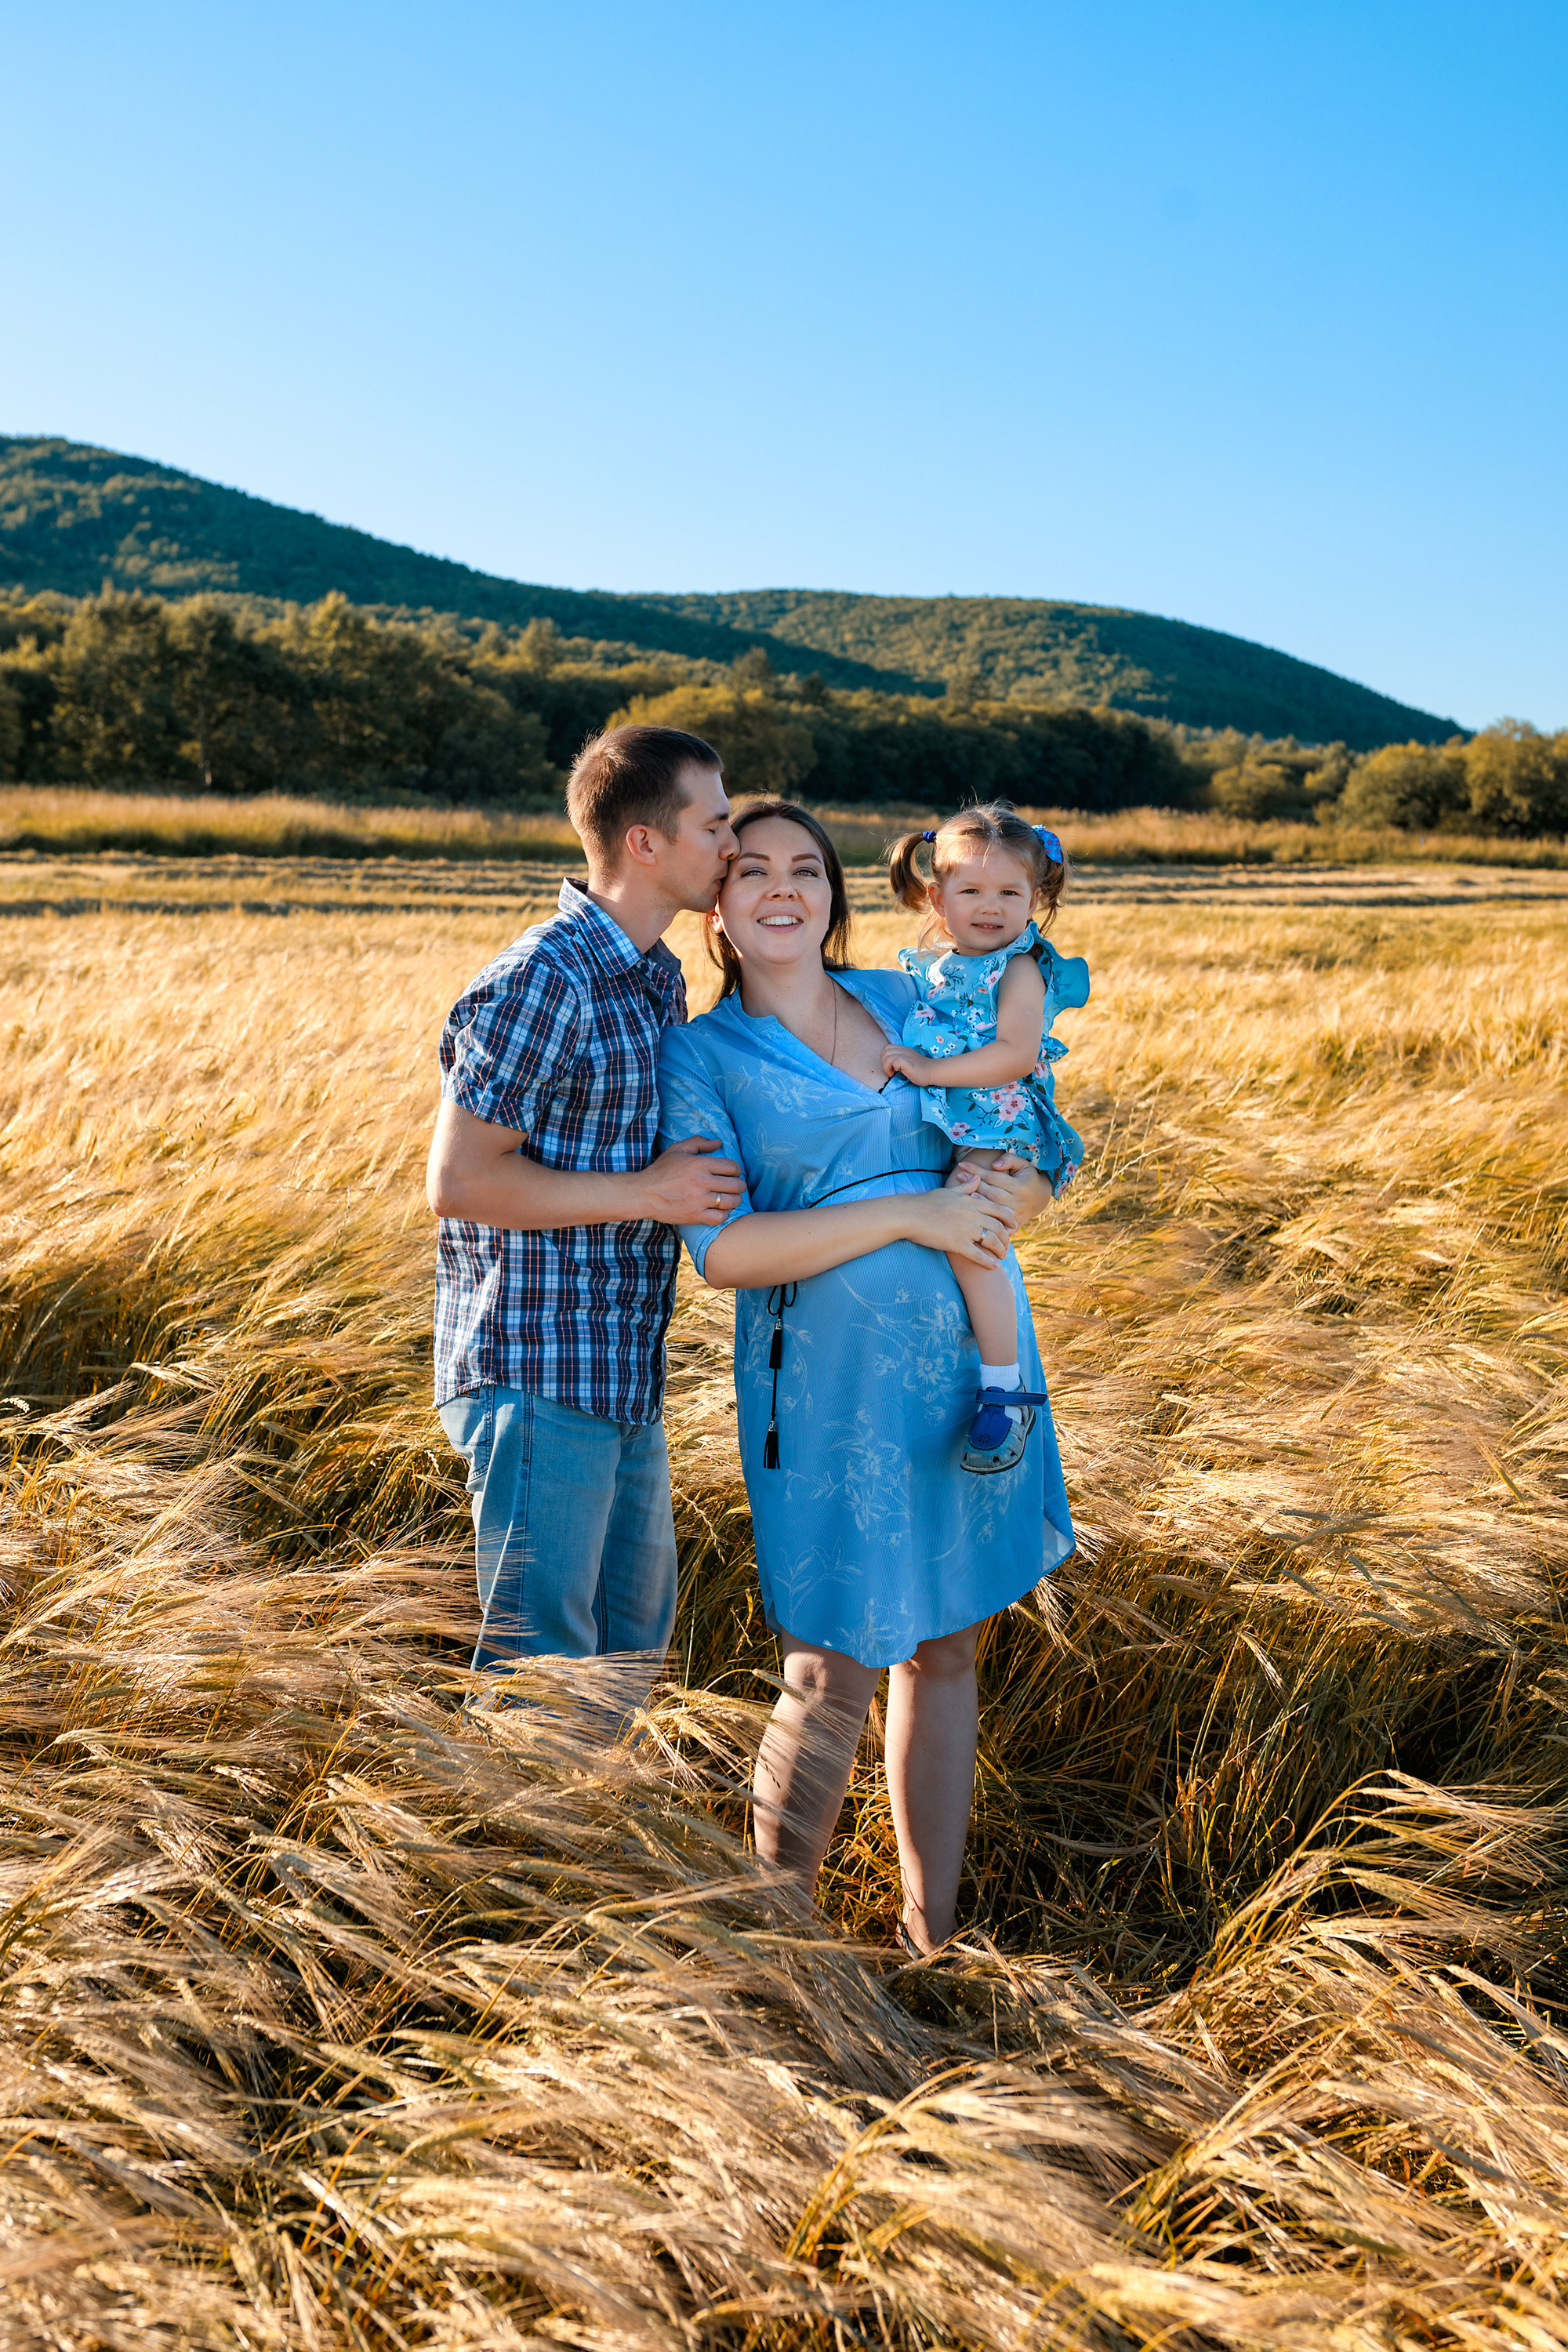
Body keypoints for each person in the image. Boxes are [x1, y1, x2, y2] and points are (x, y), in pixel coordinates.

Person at [655, 800, 1076, 1954]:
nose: (783, 888)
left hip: (969, 1373)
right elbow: (727, 1252)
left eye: (807, 869)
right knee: (826, 1664)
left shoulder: (912, 999)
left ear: (840, 895)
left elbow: (1027, 1129)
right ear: (720, 906)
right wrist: (915, 1209)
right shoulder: (698, 1055)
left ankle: (928, 1935)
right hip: (824, 1390)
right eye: (752, 871)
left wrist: (1013, 1199)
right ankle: (779, 1944)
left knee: (945, 1646)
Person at [426, 724, 743, 1683]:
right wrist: (647, 1192)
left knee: (627, 1663)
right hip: (537, 1367)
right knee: (541, 1672)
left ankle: (587, 1838)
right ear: (644, 842)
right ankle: (504, 1840)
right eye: (716, 824)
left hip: (621, 1370)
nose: (731, 847)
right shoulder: (544, 977)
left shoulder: (655, 978)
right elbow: (460, 1181)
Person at [880, 806, 1090, 1474]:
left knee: (972, 1245)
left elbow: (1013, 1054)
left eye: (1010, 893)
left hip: (1003, 1129)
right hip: (969, 1126)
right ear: (938, 900)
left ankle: (1006, 1390)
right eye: (972, 891)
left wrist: (930, 1070)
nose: (991, 907)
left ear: (1036, 901)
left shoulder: (1020, 969)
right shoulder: (936, 967)